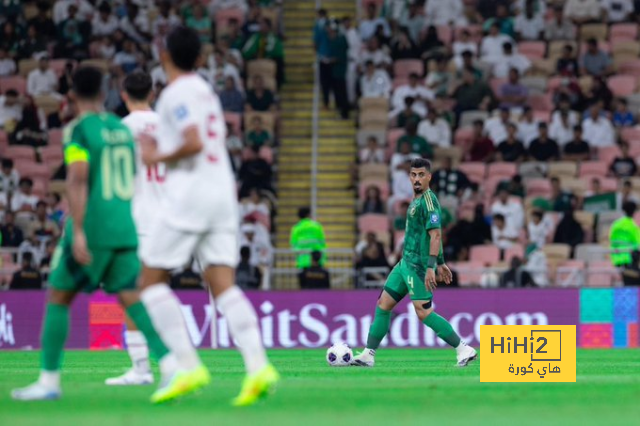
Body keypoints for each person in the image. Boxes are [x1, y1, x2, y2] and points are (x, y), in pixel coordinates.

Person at [11, 66, 172, 402]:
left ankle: (49, 381)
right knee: (132, 294)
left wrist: (78, 229)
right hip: (143, 222)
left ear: (70, 96)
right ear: (104, 94)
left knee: (59, 295)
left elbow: (78, 179)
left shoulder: (82, 130)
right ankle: (171, 365)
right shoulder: (122, 129)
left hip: (104, 222)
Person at [138, 27, 278, 406]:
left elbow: (194, 140)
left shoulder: (176, 93)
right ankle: (258, 367)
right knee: (223, 286)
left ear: (164, 56)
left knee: (148, 283)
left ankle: (187, 365)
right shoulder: (205, 90)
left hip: (192, 196)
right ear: (199, 59)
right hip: (221, 196)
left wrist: (155, 156)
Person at [351, 158, 477, 368]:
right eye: (413, 175)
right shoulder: (416, 199)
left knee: (424, 312)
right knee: (383, 305)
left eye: (421, 175)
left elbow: (436, 235)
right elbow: (430, 237)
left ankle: (464, 348)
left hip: (418, 267)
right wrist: (442, 262)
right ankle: (368, 354)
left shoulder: (429, 201)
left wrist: (431, 266)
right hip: (404, 263)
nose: (417, 179)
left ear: (429, 177)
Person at [101, 71, 163, 387]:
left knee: (131, 294)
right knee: (159, 294)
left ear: (123, 95)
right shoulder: (169, 126)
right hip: (170, 223)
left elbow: (114, 182)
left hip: (137, 222)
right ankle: (174, 363)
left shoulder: (120, 129)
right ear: (152, 93)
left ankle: (141, 368)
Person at [610, 201, 640, 267]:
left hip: (616, 259)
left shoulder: (616, 224)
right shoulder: (634, 225)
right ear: (634, 211)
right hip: (630, 259)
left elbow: (611, 239)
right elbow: (638, 243)